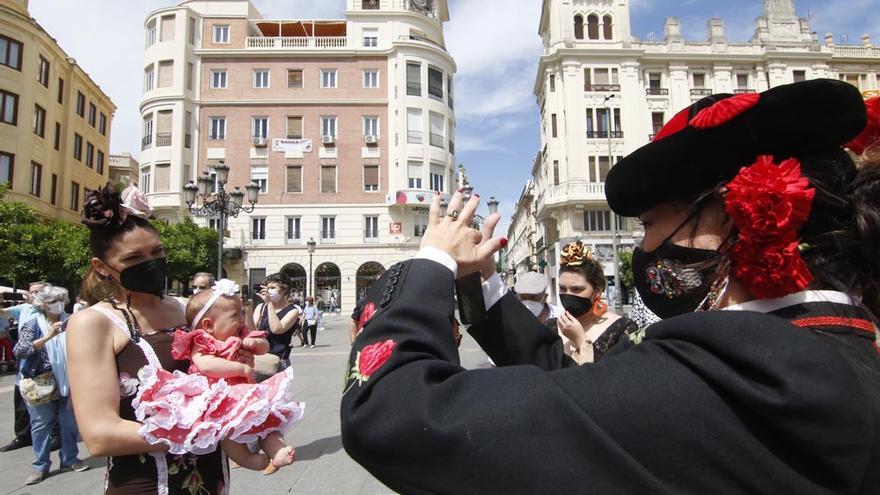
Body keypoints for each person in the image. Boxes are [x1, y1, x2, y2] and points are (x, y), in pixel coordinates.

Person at [340, 79, 880, 494]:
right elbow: (586, 391)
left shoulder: (747, 370)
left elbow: (398, 416)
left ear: (735, 213)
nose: (645, 247)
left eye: (650, 223)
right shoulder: (831, 343)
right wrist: (479, 283)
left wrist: (432, 259)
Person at [67, 184, 229, 493]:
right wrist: (199, 429)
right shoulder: (93, 323)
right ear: (101, 267)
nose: (151, 263)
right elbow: (99, 435)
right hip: (144, 485)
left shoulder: (187, 310)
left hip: (210, 479)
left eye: (157, 252)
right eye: (134, 258)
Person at [133, 279, 304, 471]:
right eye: (235, 315)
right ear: (209, 325)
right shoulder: (202, 340)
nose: (241, 320)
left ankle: (277, 450)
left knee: (266, 418)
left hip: (244, 391)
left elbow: (264, 346)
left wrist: (256, 344)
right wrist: (239, 369)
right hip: (218, 395)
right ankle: (246, 459)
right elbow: (206, 364)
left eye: (241, 313)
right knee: (226, 431)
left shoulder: (241, 334)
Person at [14, 285, 89, 485]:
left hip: (69, 379)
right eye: (53, 301)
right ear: (43, 304)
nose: (59, 304)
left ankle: (70, 459)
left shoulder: (73, 322)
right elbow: (20, 351)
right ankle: (40, 466)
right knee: (41, 426)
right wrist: (48, 337)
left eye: (61, 300)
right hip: (41, 382)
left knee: (69, 424)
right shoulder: (33, 324)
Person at [554, 241, 639, 363]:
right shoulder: (551, 327)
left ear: (597, 291)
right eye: (562, 289)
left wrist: (581, 340)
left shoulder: (622, 330)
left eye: (577, 289)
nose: (568, 295)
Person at [0, 281, 52, 453]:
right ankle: (23, 436)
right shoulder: (24, 308)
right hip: (26, 360)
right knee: (21, 400)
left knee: (50, 399)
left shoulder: (51, 309)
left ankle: (55, 436)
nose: (32, 295)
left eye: (37, 292)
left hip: (45, 361)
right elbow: (3, 313)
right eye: (31, 292)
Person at [252, 273, 301, 369]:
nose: (268, 291)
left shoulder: (293, 311)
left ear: (284, 289)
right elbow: (251, 331)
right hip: (259, 358)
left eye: (272, 288)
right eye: (267, 288)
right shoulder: (261, 307)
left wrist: (269, 303)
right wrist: (247, 308)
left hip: (278, 361)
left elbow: (276, 329)